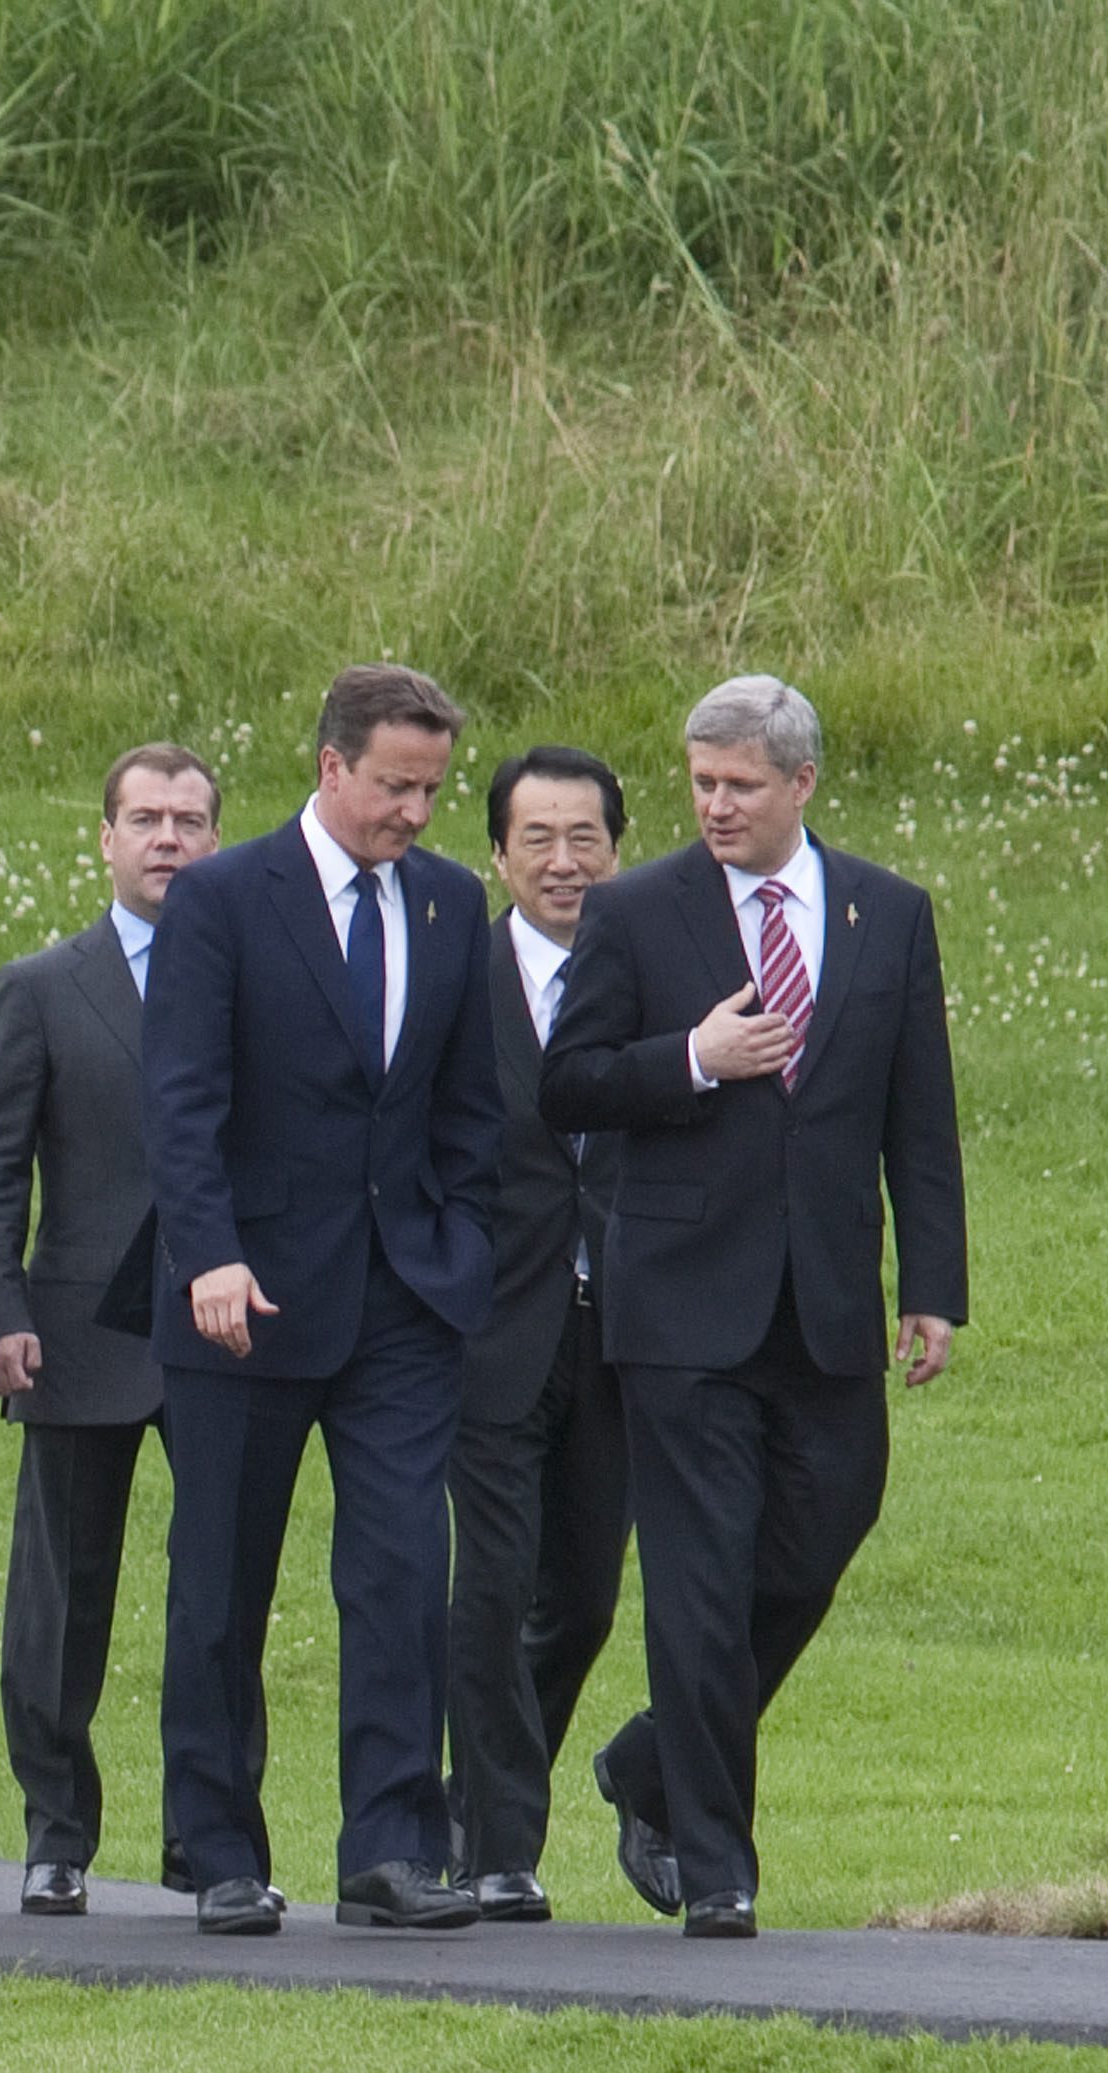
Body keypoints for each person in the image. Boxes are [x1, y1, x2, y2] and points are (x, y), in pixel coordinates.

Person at [542, 676, 965, 1939]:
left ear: (802, 785)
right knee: (697, 1581)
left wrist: (933, 1287)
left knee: (821, 1535)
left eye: (738, 784)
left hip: (828, 1303)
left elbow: (918, 1114)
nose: (714, 805)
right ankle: (716, 1863)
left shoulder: (887, 914)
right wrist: (690, 1061)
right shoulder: (634, 912)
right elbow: (566, 1084)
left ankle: (649, 1762)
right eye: (700, 782)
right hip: (678, 1310)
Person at [135, 663, 501, 1936]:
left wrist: (461, 1244)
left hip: (406, 1299)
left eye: (432, 789)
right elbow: (179, 1098)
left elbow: (470, 1104)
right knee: (222, 1582)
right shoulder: (227, 898)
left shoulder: (454, 905)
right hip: (248, 1297)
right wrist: (210, 1254)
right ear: (333, 766)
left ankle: (393, 1850)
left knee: (404, 1573)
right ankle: (219, 1847)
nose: (416, 811)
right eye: (396, 786)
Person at [0, 743, 223, 1916]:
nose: (169, 839)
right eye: (147, 819)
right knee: (62, 1596)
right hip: (74, 1335)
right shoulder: (44, 985)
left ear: (219, 840)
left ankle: (210, 1841)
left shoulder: (256, 977)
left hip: (228, 1331)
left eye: (192, 821)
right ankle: (57, 1832)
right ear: (104, 839)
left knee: (219, 1591)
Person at [445, 745, 631, 1923]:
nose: (563, 864)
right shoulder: (459, 969)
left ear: (619, 847)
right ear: (500, 854)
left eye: (586, 841)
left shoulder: (660, 960)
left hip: (619, 1325)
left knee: (586, 1597)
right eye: (538, 842)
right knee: (495, 1584)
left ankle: (483, 1798)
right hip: (488, 1321)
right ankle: (499, 1845)